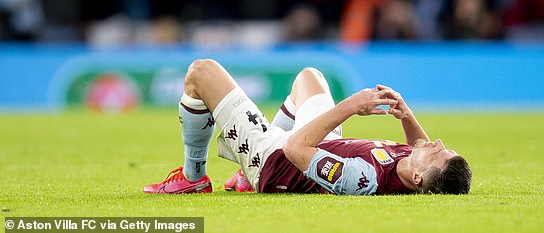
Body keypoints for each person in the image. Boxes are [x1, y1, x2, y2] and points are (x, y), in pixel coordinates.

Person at [143, 59, 471, 196]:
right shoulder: (412, 168)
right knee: (309, 77)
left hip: (276, 162)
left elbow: (294, 148)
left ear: (417, 178)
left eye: (437, 152)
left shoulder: (362, 179)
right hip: (322, 143)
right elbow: (421, 147)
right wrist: (406, 115)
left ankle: (193, 176)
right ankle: (238, 177)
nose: (435, 141)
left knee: (201, 72)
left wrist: (351, 106)